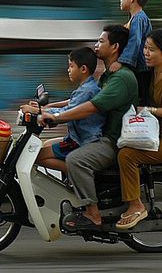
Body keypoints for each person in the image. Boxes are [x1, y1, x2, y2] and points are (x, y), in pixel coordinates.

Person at [42, 25, 138, 228]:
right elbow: (81, 99)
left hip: (111, 141)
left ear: (115, 47)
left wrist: (56, 118)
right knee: (43, 149)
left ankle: (93, 214)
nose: (96, 45)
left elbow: (91, 106)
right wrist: (51, 108)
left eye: (101, 41)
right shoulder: (109, 75)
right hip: (100, 136)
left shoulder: (121, 78)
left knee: (76, 160)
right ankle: (76, 188)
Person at [115, 29, 162, 229]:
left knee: (127, 155)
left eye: (151, 49)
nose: (146, 53)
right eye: (145, 48)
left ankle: (135, 206)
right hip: (154, 135)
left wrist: (151, 110)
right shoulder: (152, 73)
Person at [20, 47, 105, 173]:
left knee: (35, 156)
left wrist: (37, 112)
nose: (68, 70)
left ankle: (76, 173)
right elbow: (70, 102)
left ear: (83, 69)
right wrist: (45, 108)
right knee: (46, 144)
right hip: (77, 137)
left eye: (71, 66)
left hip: (81, 142)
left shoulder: (88, 90)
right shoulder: (87, 87)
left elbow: (67, 110)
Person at [110, 0, 152, 106]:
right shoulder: (134, 18)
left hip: (142, 69)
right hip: (139, 68)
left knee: (141, 101)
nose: (121, 0)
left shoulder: (139, 18)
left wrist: (121, 61)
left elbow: (135, 40)